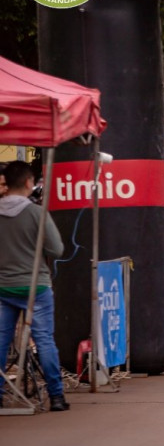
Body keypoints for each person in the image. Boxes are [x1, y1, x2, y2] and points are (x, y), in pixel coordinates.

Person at [0, 161, 70, 410]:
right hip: (36, 287)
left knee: (1, 340)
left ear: (5, 183)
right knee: (44, 340)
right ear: (29, 183)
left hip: (3, 287)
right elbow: (57, 249)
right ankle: (57, 396)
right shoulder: (36, 213)